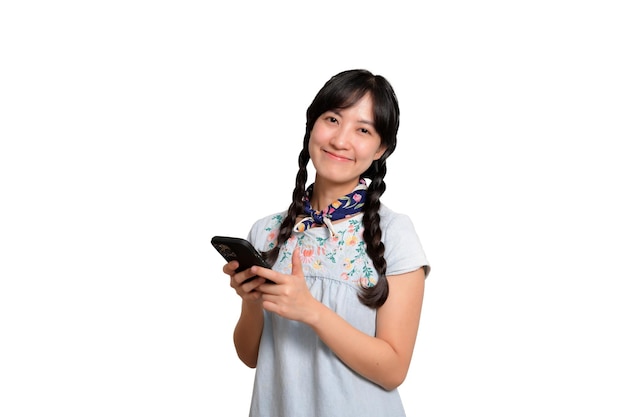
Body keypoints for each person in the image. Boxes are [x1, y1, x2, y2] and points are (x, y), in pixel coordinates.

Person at [222, 69, 430, 417]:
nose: (340, 140)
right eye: (332, 119)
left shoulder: (395, 234)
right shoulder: (266, 232)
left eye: (363, 130)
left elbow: (394, 370)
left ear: (381, 148)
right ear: (311, 125)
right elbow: (251, 356)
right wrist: (251, 302)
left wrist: (313, 312)